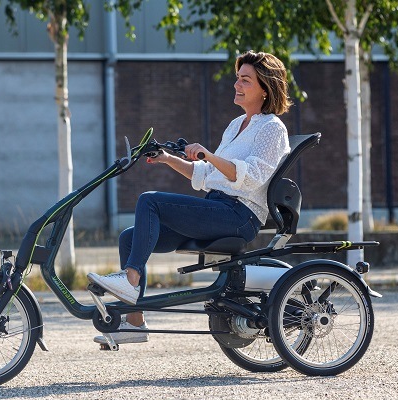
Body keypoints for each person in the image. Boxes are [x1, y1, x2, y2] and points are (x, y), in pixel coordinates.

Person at [87, 50, 292, 345]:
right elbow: (207, 174)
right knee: (129, 239)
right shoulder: (237, 125)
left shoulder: (273, 129)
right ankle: (135, 324)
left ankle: (130, 282)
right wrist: (167, 159)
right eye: (237, 78)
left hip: (239, 216)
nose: (237, 85)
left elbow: (249, 177)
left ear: (265, 88)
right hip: (217, 208)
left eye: (245, 80)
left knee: (150, 200)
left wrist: (209, 154)